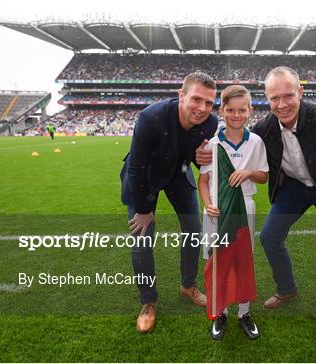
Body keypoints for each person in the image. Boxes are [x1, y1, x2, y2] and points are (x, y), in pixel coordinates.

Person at [196, 66, 316, 337]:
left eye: (288, 96)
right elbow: (228, 143)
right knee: (270, 237)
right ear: (267, 99)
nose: (281, 104)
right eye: (274, 98)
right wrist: (201, 154)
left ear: (301, 93)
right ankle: (287, 289)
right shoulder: (265, 129)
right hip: (294, 188)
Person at [120, 72, 218, 333]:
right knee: (142, 240)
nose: (202, 108)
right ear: (181, 95)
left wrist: (201, 158)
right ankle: (148, 301)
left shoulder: (211, 123)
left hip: (178, 173)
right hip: (146, 177)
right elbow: (136, 168)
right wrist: (143, 210)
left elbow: (198, 159)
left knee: (193, 231)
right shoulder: (151, 118)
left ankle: (188, 286)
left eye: (209, 102)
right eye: (196, 99)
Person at [198, 85, 268, 341]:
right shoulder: (212, 144)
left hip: (245, 209)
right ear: (222, 111)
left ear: (250, 110)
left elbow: (264, 176)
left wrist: (248, 173)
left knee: (242, 260)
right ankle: (221, 313)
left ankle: (244, 313)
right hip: (217, 210)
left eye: (242, 109)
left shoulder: (256, 142)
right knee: (219, 263)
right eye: (230, 110)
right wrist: (207, 203)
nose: (236, 115)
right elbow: (203, 181)